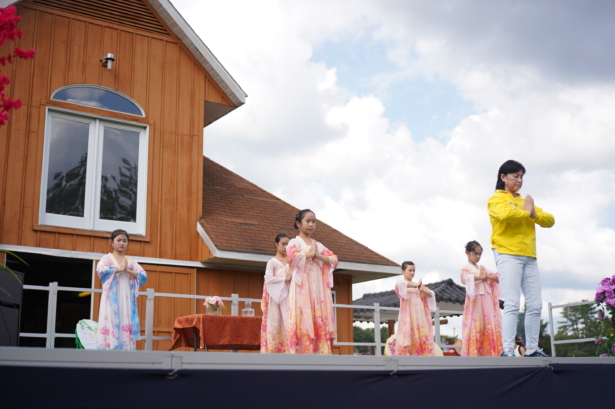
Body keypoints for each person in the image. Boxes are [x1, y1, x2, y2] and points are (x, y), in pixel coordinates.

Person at [488, 160, 554, 357]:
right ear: (503, 177)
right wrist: (528, 213)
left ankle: (532, 349)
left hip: (529, 256)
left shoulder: (525, 201)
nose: (519, 180)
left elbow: (550, 220)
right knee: (512, 303)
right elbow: (506, 215)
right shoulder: (496, 199)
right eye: (515, 176)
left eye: (521, 176)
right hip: (508, 254)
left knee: (535, 305)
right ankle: (508, 349)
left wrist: (533, 213)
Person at [286, 209, 338, 354]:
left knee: (317, 316)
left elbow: (334, 259)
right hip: (302, 288)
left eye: (314, 221)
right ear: (298, 223)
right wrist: (310, 254)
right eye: (307, 221)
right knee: (301, 315)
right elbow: (292, 256)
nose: (311, 224)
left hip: (317, 289)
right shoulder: (294, 242)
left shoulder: (318, 245)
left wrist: (318, 256)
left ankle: (318, 353)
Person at [96, 229, 147, 350]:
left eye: (125, 241)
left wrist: (127, 270)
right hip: (111, 296)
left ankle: (125, 351)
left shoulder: (130, 261)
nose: (122, 243)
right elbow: (100, 270)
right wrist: (118, 270)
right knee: (110, 318)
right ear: (111, 242)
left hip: (126, 296)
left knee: (126, 316)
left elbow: (143, 275)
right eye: (118, 240)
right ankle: (109, 349)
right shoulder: (107, 258)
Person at [460, 240, 502, 356]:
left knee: (489, 323)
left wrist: (485, 276)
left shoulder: (483, 268)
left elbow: (498, 277)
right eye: (475, 254)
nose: (478, 257)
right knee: (476, 324)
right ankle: (475, 353)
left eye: (479, 254)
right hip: (476, 301)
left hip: (487, 300)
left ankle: (489, 352)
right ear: (467, 253)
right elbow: (464, 278)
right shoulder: (466, 267)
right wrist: (481, 277)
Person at [394, 261, 436, 356]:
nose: (412, 272)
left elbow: (431, 294)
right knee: (409, 331)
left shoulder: (417, 286)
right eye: (410, 270)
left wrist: (422, 290)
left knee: (421, 331)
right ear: (403, 271)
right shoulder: (401, 284)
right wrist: (416, 285)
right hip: (408, 314)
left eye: (414, 270)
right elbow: (400, 285)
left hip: (419, 313)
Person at [260, 233, 292, 353]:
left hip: (289, 298)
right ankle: (274, 353)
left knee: (289, 325)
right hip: (275, 298)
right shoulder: (272, 262)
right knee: (275, 325)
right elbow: (268, 279)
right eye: (283, 244)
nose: (285, 247)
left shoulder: (291, 262)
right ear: (276, 244)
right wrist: (285, 279)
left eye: (288, 244)